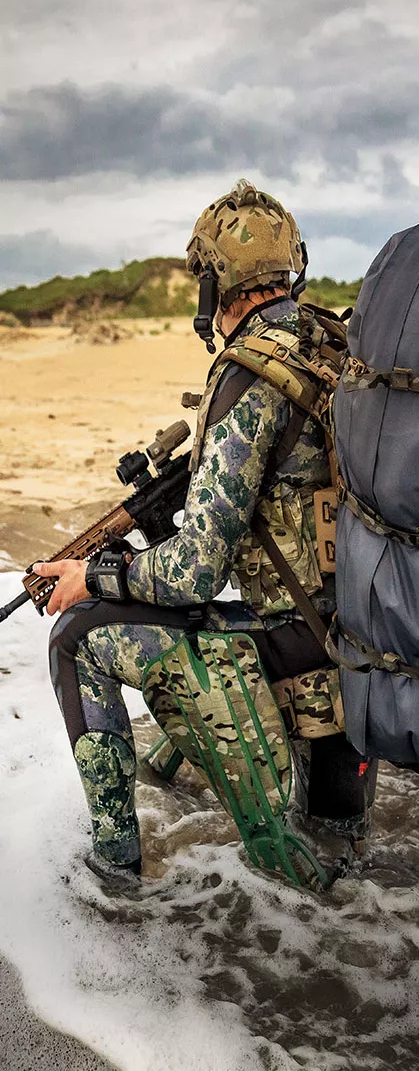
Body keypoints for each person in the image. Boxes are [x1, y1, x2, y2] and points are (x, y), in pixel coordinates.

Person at [35, 180, 377, 883]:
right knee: (344, 870)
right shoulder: (329, 342)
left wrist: (93, 576)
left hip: (298, 644)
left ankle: (114, 878)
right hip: (361, 639)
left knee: (76, 638)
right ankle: (309, 823)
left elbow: (196, 572)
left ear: (215, 280)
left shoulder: (248, 375)